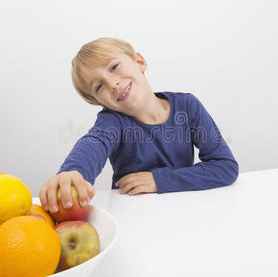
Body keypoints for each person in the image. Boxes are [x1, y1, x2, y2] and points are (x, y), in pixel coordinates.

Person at [39, 37, 239, 214]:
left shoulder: (187, 106)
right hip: (132, 214)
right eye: (99, 86)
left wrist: (159, 180)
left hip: (185, 210)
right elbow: (95, 142)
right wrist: (74, 172)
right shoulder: (112, 122)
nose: (113, 84)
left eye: (114, 67)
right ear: (100, 103)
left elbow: (225, 166)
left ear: (139, 61)